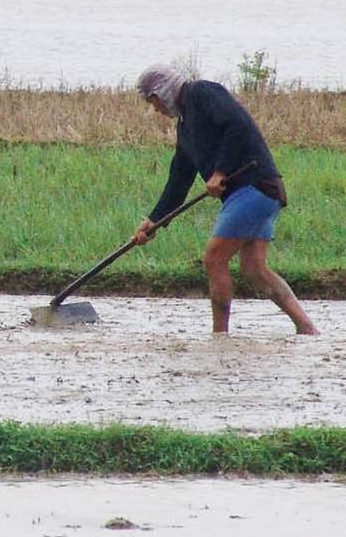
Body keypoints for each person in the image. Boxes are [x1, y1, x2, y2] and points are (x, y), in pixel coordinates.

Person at [133, 64, 318, 335]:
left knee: (213, 259)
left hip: (255, 187)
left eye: (154, 101)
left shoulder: (202, 92)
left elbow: (238, 125)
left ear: (163, 90)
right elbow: (179, 180)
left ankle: (220, 334)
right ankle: (307, 328)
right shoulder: (185, 129)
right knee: (254, 270)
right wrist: (153, 222)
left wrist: (220, 170)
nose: (156, 110)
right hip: (255, 195)